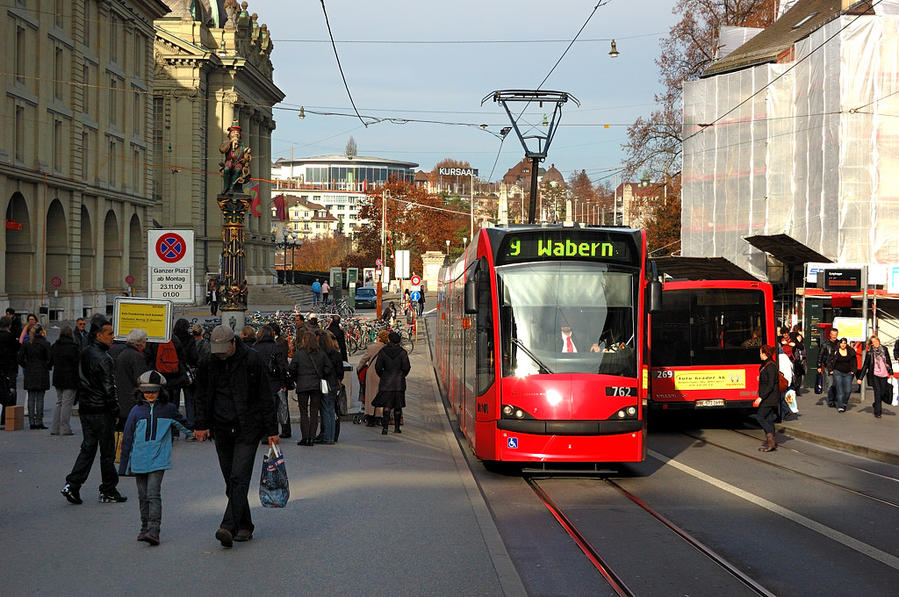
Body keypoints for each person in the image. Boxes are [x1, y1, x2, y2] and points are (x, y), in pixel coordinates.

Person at [192, 325, 278, 547]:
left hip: (247, 427)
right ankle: (245, 525)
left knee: (239, 476)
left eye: (223, 350)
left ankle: (228, 526)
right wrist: (200, 424)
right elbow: (200, 395)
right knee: (231, 481)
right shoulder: (208, 361)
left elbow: (265, 395)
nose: (219, 355)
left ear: (233, 343)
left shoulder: (252, 359)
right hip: (221, 428)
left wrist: (272, 430)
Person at [119, 370, 192, 546]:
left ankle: (154, 530)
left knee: (153, 494)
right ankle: (144, 527)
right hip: (138, 458)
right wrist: (123, 465)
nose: (150, 394)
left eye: (154, 391)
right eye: (146, 391)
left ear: (161, 391)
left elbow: (186, 426)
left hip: (159, 459)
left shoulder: (168, 410)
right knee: (142, 495)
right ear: (141, 392)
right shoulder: (136, 411)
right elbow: (127, 437)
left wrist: (202, 430)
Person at [61, 316, 127, 505]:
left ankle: (72, 484)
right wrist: (115, 410)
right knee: (107, 451)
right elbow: (108, 388)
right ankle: (108, 489)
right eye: (110, 333)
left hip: (86, 407)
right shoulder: (104, 358)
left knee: (88, 447)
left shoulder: (86, 352)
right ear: (99, 335)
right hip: (101, 410)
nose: (113, 337)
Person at [288, 327, 332, 446]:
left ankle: (305, 437)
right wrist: (321, 374)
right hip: (316, 384)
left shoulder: (299, 353)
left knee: (303, 412)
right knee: (314, 411)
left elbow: (292, 369)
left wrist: (296, 378)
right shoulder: (320, 353)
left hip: (302, 384)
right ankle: (312, 437)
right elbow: (329, 367)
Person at [254, 325, 290, 439]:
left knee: (261, 409)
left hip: (259, 383)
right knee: (273, 410)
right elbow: (281, 366)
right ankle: (272, 433)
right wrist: (283, 383)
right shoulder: (276, 347)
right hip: (274, 382)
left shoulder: (255, 347)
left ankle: (263, 433)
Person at [373, 331, 411, 435]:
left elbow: (378, 367)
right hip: (399, 383)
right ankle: (397, 428)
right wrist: (402, 375)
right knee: (398, 406)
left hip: (386, 382)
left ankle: (385, 428)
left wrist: (383, 375)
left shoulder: (383, 351)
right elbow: (407, 367)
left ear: (389, 340)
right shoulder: (403, 352)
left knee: (387, 406)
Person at [18, 323, 53, 429]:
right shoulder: (45, 343)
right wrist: (46, 366)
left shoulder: (27, 343)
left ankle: (31, 422)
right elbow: (50, 359)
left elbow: (19, 358)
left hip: (30, 371)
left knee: (31, 397)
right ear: (41, 332)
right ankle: (39, 421)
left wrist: (26, 365)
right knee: (40, 398)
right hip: (42, 371)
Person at [50, 325, 80, 435]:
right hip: (70, 378)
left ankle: (55, 428)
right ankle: (65, 428)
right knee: (67, 404)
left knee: (59, 403)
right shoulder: (74, 347)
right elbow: (77, 363)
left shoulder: (55, 346)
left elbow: (50, 361)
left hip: (58, 377)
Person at [314, 329, 343, 444]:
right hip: (334, 383)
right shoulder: (336, 353)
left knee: (326, 410)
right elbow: (340, 370)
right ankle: (330, 435)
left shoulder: (320, 354)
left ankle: (327, 436)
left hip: (324, 384)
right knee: (331, 410)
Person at [856, 335, 894, 419]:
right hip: (875, 375)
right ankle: (878, 412)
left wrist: (890, 372)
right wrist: (860, 378)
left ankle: (875, 404)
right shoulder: (870, 352)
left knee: (883, 392)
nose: (876, 343)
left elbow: (888, 361)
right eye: (874, 342)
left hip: (884, 374)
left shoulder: (884, 349)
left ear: (879, 341)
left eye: (877, 341)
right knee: (877, 393)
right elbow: (865, 365)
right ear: (872, 344)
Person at [358, 330, 390, 427]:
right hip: (384, 374)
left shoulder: (372, 347)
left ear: (379, 338)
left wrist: (358, 369)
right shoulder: (387, 348)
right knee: (381, 395)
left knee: (371, 395)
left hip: (372, 373)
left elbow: (363, 360)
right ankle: (379, 417)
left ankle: (370, 417)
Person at [754, 345, 779, 452]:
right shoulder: (766, 365)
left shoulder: (771, 366)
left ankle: (771, 440)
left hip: (769, 398)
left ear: (765, 354)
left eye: (760, 353)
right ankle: (771, 442)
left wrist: (761, 397)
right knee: (768, 419)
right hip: (769, 397)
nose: (759, 354)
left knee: (760, 417)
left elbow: (770, 384)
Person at [218, 122, 252, 194]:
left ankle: (231, 188)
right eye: (233, 133)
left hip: (238, 163)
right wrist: (230, 143)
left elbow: (245, 158)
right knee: (227, 169)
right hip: (229, 161)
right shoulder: (226, 143)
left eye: (237, 133)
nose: (236, 134)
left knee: (238, 170)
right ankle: (226, 187)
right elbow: (222, 150)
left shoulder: (242, 146)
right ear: (230, 135)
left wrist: (246, 155)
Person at [826, 337, 857, 413]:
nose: (843, 345)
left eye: (844, 343)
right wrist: (830, 370)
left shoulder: (850, 351)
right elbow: (829, 360)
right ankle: (840, 406)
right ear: (839, 344)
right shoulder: (835, 351)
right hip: (837, 372)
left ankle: (844, 402)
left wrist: (853, 370)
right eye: (841, 343)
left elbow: (854, 361)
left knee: (848, 390)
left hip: (848, 373)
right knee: (840, 390)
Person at [0, 316, 20, 429]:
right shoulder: (11, 337)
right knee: (10, 392)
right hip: (10, 368)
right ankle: (8, 417)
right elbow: (18, 347)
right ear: (9, 326)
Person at [817, 327, 839, 407]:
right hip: (828, 366)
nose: (834, 336)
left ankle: (835, 398)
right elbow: (820, 355)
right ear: (830, 335)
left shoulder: (839, 343)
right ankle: (830, 400)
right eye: (832, 334)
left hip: (837, 367)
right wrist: (819, 365)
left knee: (837, 383)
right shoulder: (825, 344)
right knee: (830, 383)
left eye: (835, 335)